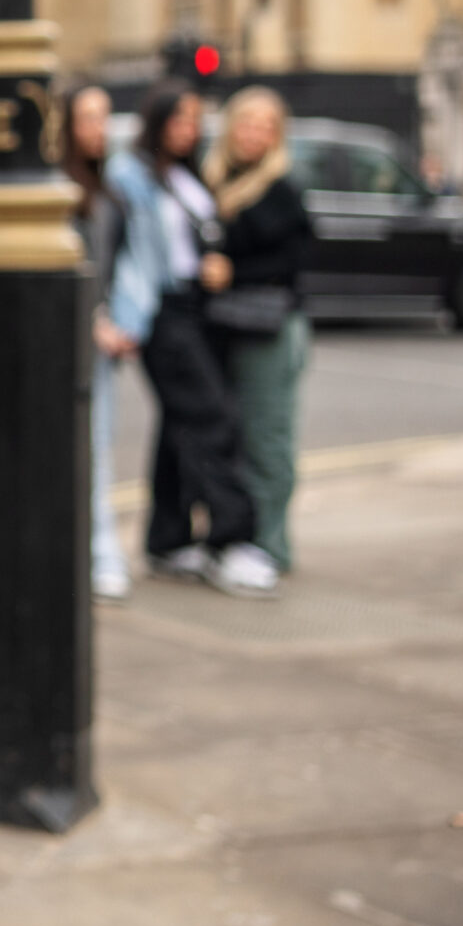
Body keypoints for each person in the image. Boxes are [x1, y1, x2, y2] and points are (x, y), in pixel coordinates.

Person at [104, 83, 275, 598]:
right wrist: (116, 314)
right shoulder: (131, 175)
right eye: (179, 120)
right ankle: (230, 542)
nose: (189, 130)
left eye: (195, 121)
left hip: (197, 308)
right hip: (161, 313)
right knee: (213, 418)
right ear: (156, 122)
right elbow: (120, 250)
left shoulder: (186, 173)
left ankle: (168, 540)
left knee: (180, 427)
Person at [203, 86, 312, 573]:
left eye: (267, 126)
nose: (256, 134)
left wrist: (232, 273)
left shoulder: (281, 187)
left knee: (268, 438)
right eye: (248, 122)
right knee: (232, 436)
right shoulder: (214, 178)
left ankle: (271, 546)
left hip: (270, 328)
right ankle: (238, 537)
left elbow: (292, 262)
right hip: (228, 325)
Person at [62, 85, 130, 601]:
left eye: (104, 118)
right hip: (68, 340)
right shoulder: (61, 190)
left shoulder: (109, 189)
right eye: (87, 117)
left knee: (97, 449)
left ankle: (101, 550)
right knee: (73, 450)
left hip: (98, 344)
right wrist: (90, 318)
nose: (98, 128)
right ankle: (85, 551)